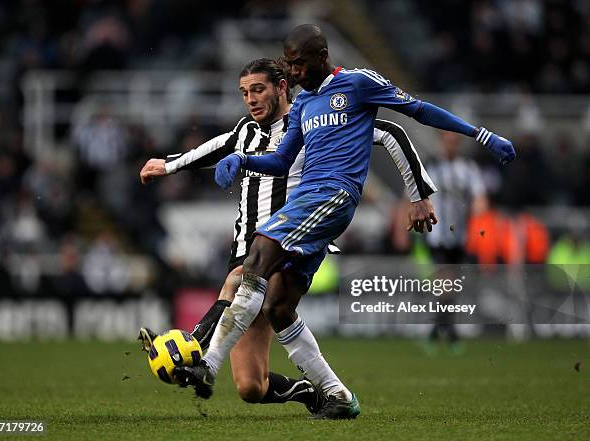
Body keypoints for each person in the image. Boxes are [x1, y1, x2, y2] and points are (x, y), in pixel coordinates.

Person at [180, 24, 516, 418]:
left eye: (299, 64)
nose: (293, 73)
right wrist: (242, 160)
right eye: (288, 65)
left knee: (257, 254)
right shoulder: (304, 104)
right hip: (309, 202)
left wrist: (480, 135)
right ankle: (338, 395)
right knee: (279, 306)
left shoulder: (358, 84)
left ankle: (209, 364)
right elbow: (281, 161)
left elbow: (418, 111)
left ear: (322, 58)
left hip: (335, 195)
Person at [139, 58, 437, 418]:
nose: (250, 99)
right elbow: (216, 148)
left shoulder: (315, 119)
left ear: (282, 87)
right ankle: (315, 394)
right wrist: (170, 165)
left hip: (293, 241)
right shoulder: (245, 132)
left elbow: (387, 132)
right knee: (251, 386)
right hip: (247, 249)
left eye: (258, 89)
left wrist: (417, 193)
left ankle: (194, 349)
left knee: (238, 282)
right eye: (244, 92)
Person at [424, 131, 488, 350]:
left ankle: (437, 330)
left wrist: (479, 211)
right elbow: (412, 195)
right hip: (436, 233)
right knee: (446, 279)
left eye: (453, 143)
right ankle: (449, 331)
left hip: (459, 235)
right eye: (446, 142)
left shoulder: (467, 169)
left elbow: (480, 197)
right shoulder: (431, 168)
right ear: (441, 144)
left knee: (448, 284)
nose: (450, 146)